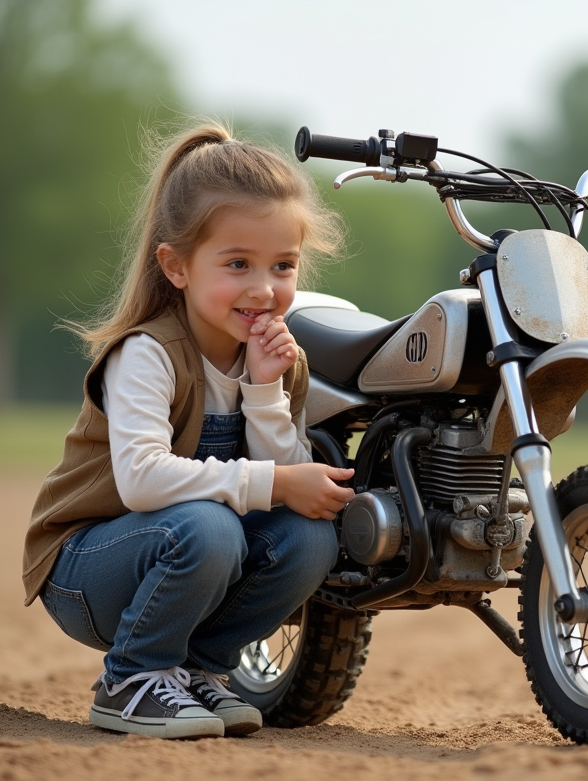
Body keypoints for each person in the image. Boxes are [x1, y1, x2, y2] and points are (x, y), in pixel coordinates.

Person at [22, 121, 354, 740]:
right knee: (210, 526)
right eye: (238, 264)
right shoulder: (147, 354)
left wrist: (263, 390)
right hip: (88, 572)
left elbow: (283, 486)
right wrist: (279, 482)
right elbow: (143, 481)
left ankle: (197, 670)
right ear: (176, 266)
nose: (264, 289)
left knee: (309, 539)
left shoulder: (282, 360)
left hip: (188, 560)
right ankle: (131, 678)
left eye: (283, 265)